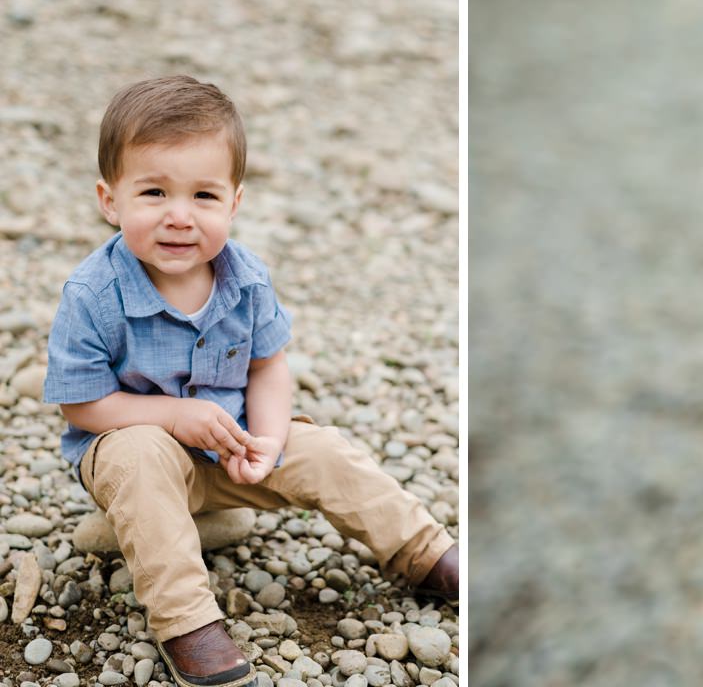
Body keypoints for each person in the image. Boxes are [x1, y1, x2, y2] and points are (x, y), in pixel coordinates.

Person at [43, 75, 458, 687]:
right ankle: (187, 623)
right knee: (139, 451)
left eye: (204, 196)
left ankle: (426, 552)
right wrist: (172, 417)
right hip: (134, 465)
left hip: (230, 450)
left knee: (325, 448)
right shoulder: (93, 294)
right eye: (154, 192)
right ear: (110, 201)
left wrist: (265, 442)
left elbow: (267, 366)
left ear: (234, 203)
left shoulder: (246, 279)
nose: (179, 216)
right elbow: (81, 405)